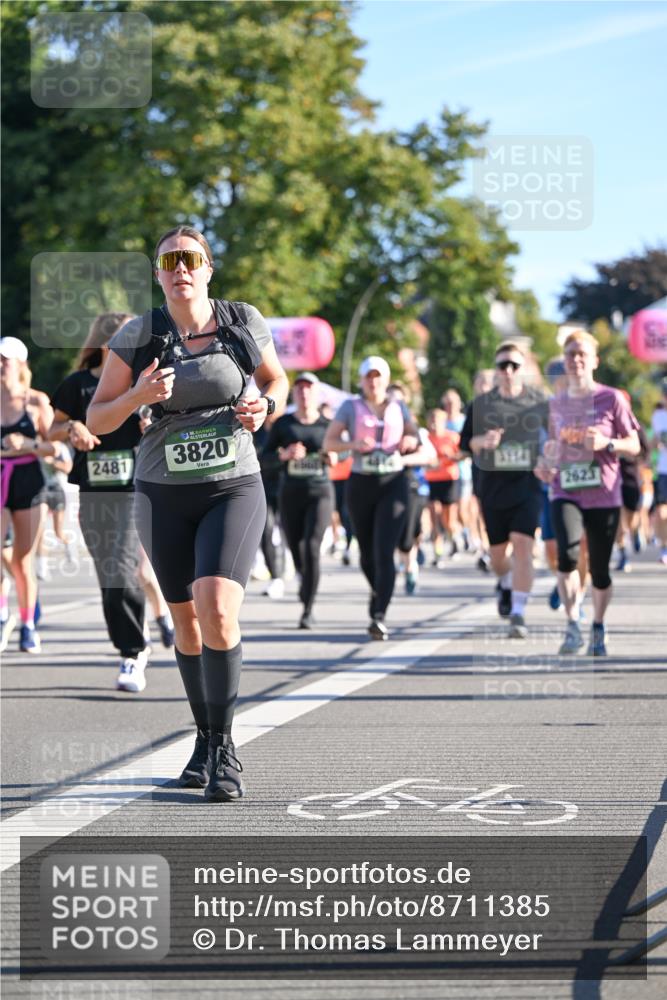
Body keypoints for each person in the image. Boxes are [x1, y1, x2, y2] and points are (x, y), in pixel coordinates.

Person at [86, 225, 288, 801]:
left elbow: (277, 380)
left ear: (207, 268)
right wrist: (136, 398)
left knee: (217, 605)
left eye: (190, 259)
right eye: (169, 260)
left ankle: (224, 747)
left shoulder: (241, 321)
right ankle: (203, 737)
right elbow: (99, 419)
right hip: (162, 491)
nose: (180, 269)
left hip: (232, 485)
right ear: (158, 274)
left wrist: (265, 405)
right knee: (185, 621)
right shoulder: (138, 334)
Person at [50, 313, 152, 692]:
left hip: (134, 488)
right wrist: (72, 428)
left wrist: (151, 425)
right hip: (93, 490)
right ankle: (135, 639)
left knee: (122, 567)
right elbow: (52, 428)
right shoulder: (77, 385)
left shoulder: (145, 382)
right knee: (108, 573)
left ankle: (132, 652)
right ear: (106, 343)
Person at [536, 330, 640, 656]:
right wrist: (544, 463)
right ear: (564, 363)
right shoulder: (555, 404)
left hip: (604, 493)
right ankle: (571, 624)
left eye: (582, 354)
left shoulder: (612, 399)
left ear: (594, 360)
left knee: (600, 569)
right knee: (566, 558)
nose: (576, 359)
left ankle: (598, 623)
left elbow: (635, 445)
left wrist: (608, 444)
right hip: (565, 489)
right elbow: (549, 448)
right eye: (570, 354)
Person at [323, 355, 423, 640]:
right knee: (366, 553)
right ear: (362, 380)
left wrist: (410, 440)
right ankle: (378, 589)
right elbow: (329, 442)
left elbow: (415, 435)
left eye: (378, 376)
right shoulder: (350, 407)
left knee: (383, 550)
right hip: (361, 482)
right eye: (368, 376)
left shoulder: (399, 406)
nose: (373, 381)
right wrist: (353, 444)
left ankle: (379, 615)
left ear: (386, 379)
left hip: (394, 483)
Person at [460, 341, 548, 639]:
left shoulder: (539, 402)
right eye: (503, 365)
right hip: (493, 487)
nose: (508, 371)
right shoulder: (481, 405)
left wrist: (548, 458)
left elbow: (553, 438)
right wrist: (481, 442)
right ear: (496, 370)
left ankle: (519, 613)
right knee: (499, 557)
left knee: (524, 546)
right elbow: (464, 445)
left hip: (528, 484)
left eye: (514, 366)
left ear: (522, 370)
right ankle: (505, 581)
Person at [264, 372, 336, 628]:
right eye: (300, 389)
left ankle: (308, 608)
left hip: (320, 492)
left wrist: (333, 458)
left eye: (309, 389)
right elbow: (264, 459)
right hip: (291, 493)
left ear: (317, 394)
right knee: (296, 549)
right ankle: (306, 584)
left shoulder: (328, 425)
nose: (304, 393)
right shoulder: (283, 424)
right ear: (294, 394)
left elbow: (341, 452)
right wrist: (284, 456)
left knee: (311, 547)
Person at [1, 337, 57, 653]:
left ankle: (28, 624)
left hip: (29, 481)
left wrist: (28, 445)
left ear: (20, 363)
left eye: (4, 359)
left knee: (23, 561)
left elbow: (53, 447)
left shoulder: (35, 402)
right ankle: (2, 615)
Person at [425, 408, 461, 562]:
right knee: (434, 514)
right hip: (431, 480)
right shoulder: (426, 438)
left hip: (449, 479)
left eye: (437, 420)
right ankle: (437, 551)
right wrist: (428, 464)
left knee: (448, 519)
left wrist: (451, 456)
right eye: (431, 420)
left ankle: (454, 538)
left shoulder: (452, 437)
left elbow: (463, 455)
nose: (434, 423)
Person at [651, 380, 667, 566]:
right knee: (662, 514)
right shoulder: (658, 416)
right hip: (663, 470)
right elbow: (654, 441)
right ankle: (664, 547)